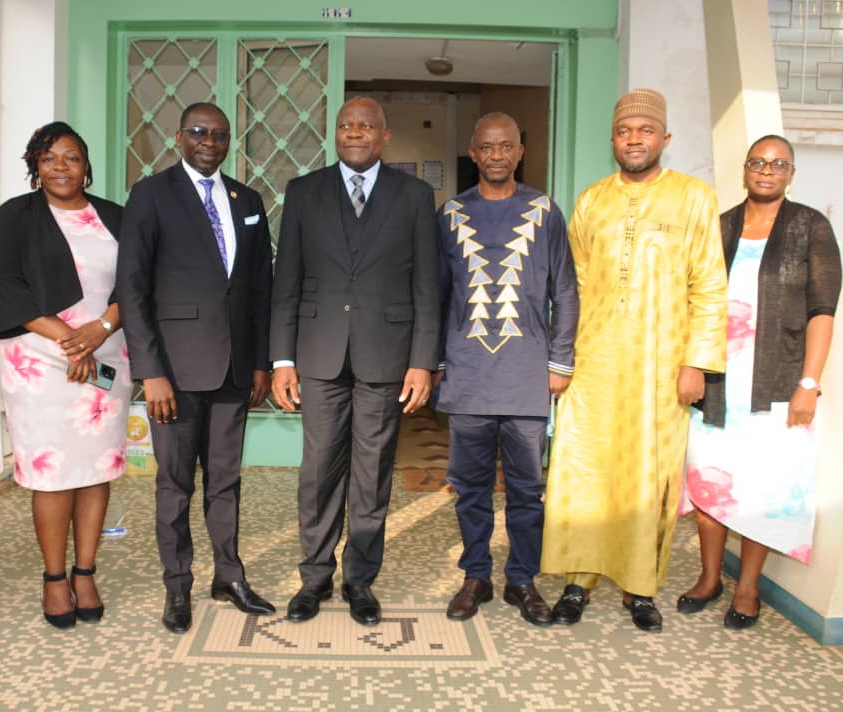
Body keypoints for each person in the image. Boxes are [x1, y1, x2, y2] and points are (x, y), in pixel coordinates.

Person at [539, 88, 728, 631]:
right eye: (625, 131)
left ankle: (641, 587)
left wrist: (698, 362)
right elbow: (568, 287)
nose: (635, 139)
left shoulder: (693, 197)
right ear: (613, 140)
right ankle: (578, 582)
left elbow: (709, 285)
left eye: (646, 131)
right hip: (593, 364)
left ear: (664, 139)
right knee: (584, 470)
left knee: (649, 475)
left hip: (660, 366)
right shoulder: (591, 200)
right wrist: (561, 357)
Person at [270, 96, 440, 627]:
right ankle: (314, 578)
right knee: (318, 471)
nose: (354, 132)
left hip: (387, 356)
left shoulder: (414, 196)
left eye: (366, 125)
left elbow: (427, 286)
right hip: (318, 355)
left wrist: (422, 362)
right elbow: (287, 283)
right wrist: (281, 358)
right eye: (345, 125)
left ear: (385, 136)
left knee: (372, 474)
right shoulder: (304, 192)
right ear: (335, 134)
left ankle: (360, 581)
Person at [116, 102, 275, 635]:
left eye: (221, 134)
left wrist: (259, 364)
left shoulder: (247, 200)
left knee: (226, 482)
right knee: (176, 485)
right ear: (179, 137)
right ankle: (177, 586)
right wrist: (150, 371)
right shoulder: (150, 195)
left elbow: (257, 289)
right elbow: (132, 290)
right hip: (175, 375)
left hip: (234, 372)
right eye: (200, 132)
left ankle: (228, 574)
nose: (210, 141)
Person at [677, 135, 842, 629]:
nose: (766, 171)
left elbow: (822, 310)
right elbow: (692, 304)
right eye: (758, 162)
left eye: (778, 164)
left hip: (777, 384)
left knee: (762, 489)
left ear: (791, 173)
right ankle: (710, 578)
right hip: (717, 383)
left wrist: (809, 383)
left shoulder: (811, 227)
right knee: (709, 484)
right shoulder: (719, 226)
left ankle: (747, 588)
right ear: (744, 169)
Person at [0, 121, 129, 629]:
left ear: (87, 165)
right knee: (53, 473)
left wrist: (99, 330)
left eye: (71, 157)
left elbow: (139, 281)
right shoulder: (13, 217)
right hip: (38, 358)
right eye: (49, 159)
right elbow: (2, 285)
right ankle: (53, 578)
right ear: (35, 167)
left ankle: (85, 571)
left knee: (95, 468)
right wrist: (70, 340)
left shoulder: (113, 216)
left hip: (107, 351)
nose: (61, 167)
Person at [433, 113, 578, 625]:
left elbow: (565, 289)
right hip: (468, 375)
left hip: (525, 375)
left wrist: (560, 361)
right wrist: (436, 364)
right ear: (473, 153)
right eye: (486, 147)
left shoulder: (543, 211)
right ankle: (476, 575)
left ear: (520, 152)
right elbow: (438, 295)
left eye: (506, 146)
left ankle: (522, 579)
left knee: (526, 488)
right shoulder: (451, 213)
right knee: (469, 486)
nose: (496, 155)